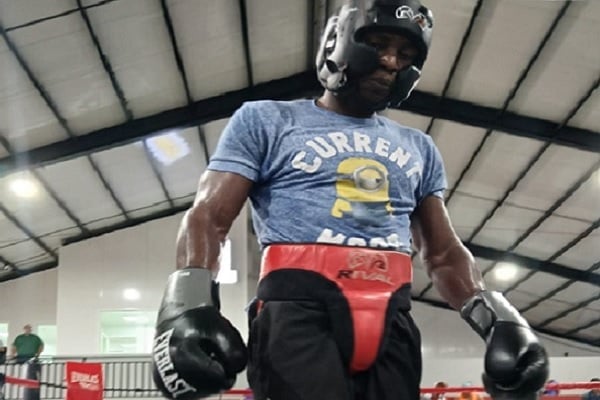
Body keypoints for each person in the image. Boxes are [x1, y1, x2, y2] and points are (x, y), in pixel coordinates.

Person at [150, 0, 550, 399]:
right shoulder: (266, 120)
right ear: (337, 43)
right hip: (297, 306)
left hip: (393, 311)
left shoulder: (420, 147)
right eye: (378, 44)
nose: (392, 61)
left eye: (406, 54)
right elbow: (209, 217)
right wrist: (186, 306)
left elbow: (443, 253)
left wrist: (499, 320)